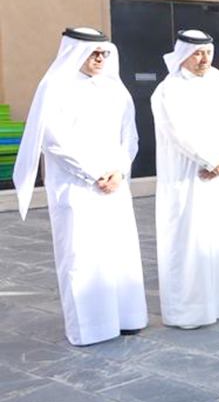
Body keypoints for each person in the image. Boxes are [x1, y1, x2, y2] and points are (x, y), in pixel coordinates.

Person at [13, 27, 147, 345]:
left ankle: (126, 318)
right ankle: (90, 327)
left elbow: (130, 137)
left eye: (103, 53)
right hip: (77, 188)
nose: (100, 58)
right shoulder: (55, 87)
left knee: (118, 254)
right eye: (93, 53)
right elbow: (54, 141)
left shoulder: (117, 90)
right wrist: (93, 174)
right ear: (75, 52)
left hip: (115, 185)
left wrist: (120, 171)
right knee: (82, 257)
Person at [150, 30, 219, 329]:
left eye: (207, 52)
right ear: (182, 54)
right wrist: (209, 160)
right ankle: (188, 311)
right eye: (197, 53)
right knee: (188, 242)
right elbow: (178, 132)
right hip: (187, 176)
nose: (204, 59)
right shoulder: (169, 89)